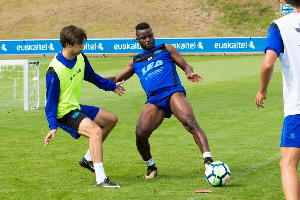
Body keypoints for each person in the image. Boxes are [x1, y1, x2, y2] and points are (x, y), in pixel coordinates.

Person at [106, 22, 213, 179]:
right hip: (154, 100)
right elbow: (116, 78)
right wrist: (94, 79)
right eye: (144, 38)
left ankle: (209, 161)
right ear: (137, 40)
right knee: (140, 133)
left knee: (190, 122)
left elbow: (186, 65)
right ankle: (151, 167)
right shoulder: (136, 61)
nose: (148, 39)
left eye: (150, 36)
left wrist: (189, 73)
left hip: (172, 92)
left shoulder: (166, 48)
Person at [44, 25, 125, 188]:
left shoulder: (81, 58)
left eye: (83, 43)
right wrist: (52, 125)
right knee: (95, 131)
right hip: (64, 113)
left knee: (110, 120)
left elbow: (93, 77)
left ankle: (88, 159)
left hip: (75, 107)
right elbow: (50, 103)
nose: (83, 46)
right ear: (67, 44)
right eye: (79, 43)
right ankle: (101, 179)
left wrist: (112, 86)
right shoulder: (55, 70)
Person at [255, 0, 300, 199]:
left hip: (297, 108)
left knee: (288, 164)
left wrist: (262, 90)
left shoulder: (279, 26)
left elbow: (267, 65)